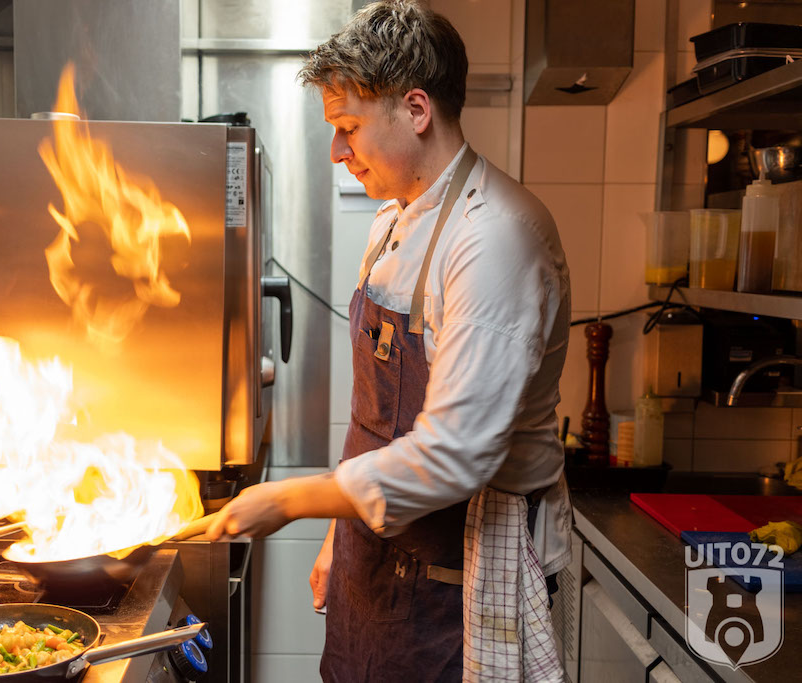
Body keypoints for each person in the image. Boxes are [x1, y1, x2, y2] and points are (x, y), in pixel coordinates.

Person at [204, 1, 572, 679]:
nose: (337, 151)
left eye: (348, 128)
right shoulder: (392, 222)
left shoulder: (493, 240)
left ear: (416, 110)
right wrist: (340, 537)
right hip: (377, 558)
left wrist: (288, 500)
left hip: (459, 579)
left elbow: (453, 455)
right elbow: (375, 420)